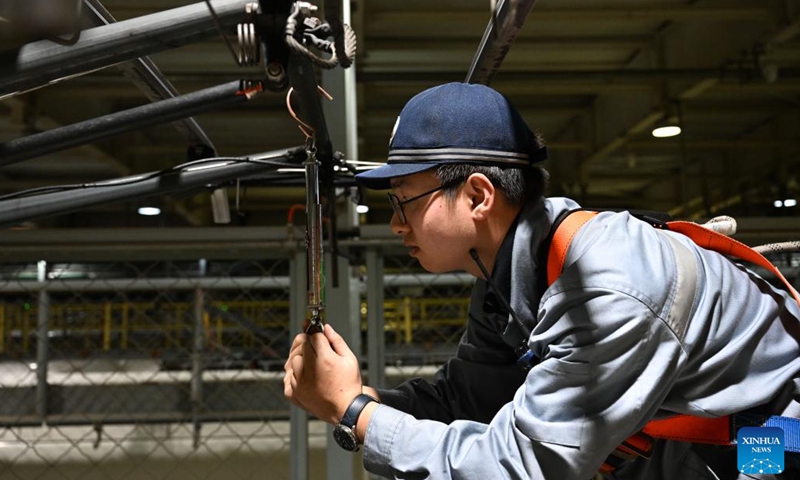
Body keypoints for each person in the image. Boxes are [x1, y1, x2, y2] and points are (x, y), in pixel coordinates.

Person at [283, 82, 800, 479]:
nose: (395, 223)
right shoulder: (510, 274)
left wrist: (355, 413)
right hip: (679, 452)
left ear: (479, 196)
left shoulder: (606, 286)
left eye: (402, 200)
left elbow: (520, 466)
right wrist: (358, 398)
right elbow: (472, 398)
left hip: (764, 450)